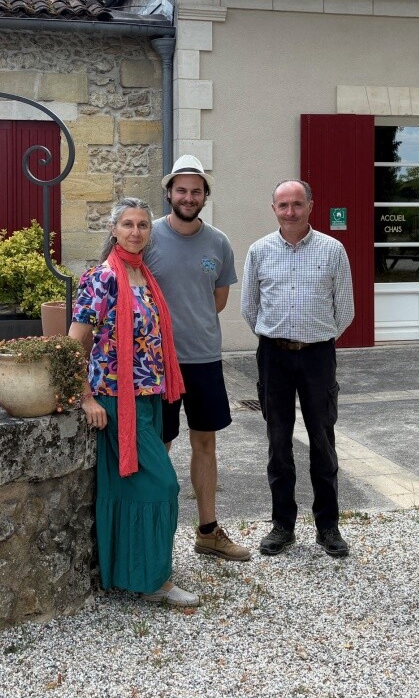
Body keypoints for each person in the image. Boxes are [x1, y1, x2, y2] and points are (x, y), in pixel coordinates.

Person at [68, 197, 199, 607]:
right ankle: (155, 580)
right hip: (114, 400)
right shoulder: (102, 279)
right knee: (163, 484)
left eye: (143, 225)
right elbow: (74, 345)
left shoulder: (143, 276)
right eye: (128, 224)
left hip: (148, 398)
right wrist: (85, 397)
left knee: (132, 488)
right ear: (113, 230)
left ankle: (132, 573)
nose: (136, 231)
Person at [144, 154, 251, 563]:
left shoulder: (218, 242)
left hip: (204, 358)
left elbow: (218, 300)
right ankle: (157, 534)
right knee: (161, 444)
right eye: (181, 190)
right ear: (169, 193)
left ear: (205, 196)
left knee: (205, 442)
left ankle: (208, 532)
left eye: (196, 191)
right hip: (158, 362)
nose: (188, 197)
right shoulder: (148, 236)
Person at [241, 179, 355, 558]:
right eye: (283, 205)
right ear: (273, 208)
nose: (290, 211)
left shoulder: (332, 249)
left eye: (297, 204)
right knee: (278, 441)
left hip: (318, 357)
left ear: (310, 205)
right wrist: (278, 336)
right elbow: (249, 308)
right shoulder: (259, 251)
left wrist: (317, 338)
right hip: (274, 356)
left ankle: (328, 527)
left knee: (322, 441)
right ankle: (282, 526)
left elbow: (346, 309)